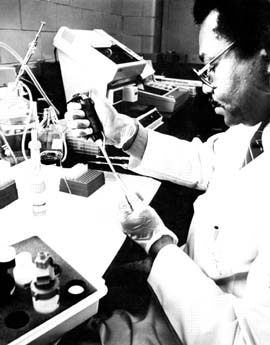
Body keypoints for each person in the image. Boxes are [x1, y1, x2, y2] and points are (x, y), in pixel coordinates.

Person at [64, 0, 270, 344]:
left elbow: (242, 339)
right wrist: (125, 133)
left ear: (265, 64)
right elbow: (206, 160)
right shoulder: (255, 127)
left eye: (212, 66)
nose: (206, 86)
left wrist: (158, 244)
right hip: (183, 285)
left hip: (195, 327)